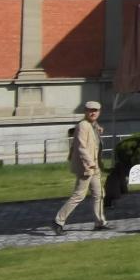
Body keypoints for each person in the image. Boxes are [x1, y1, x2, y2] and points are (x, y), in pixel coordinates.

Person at [53, 100, 111, 233]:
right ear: (85, 111)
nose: (93, 113)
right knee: (79, 195)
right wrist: (90, 162)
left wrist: (98, 128)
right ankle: (58, 221)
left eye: (95, 111)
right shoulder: (83, 126)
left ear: (99, 112)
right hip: (87, 167)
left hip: (94, 167)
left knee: (99, 194)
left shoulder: (92, 125)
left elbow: (94, 132)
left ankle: (100, 222)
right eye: (90, 110)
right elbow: (81, 147)